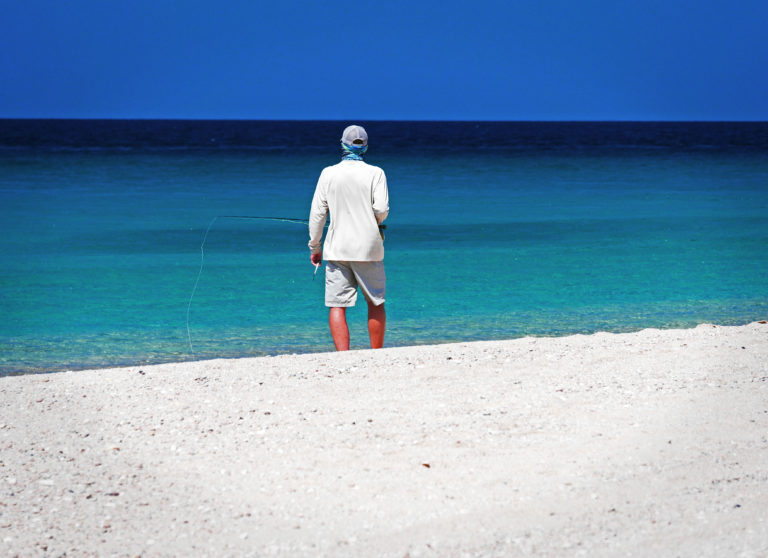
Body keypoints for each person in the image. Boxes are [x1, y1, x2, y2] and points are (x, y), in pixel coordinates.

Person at [308, 125, 389, 351]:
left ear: (342, 144)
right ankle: (376, 354)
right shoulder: (376, 173)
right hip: (369, 247)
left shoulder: (328, 173)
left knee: (337, 305)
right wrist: (372, 220)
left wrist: (315, 246)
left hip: (337, 248)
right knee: (375, 302)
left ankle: (343, 357)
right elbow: (381, 209)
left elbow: (317, 215)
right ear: (365, 147)